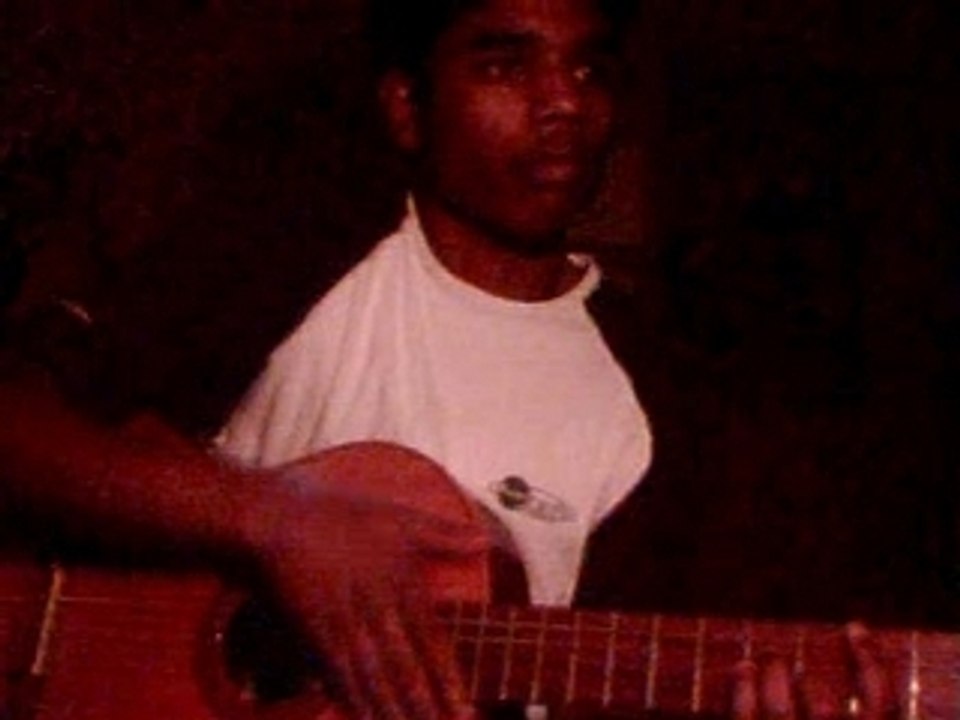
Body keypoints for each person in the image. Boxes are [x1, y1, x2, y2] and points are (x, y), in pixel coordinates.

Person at [0, 0, 900, 717]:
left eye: (589, 68)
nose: (563, 102)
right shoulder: (283, 265)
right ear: (407, 108)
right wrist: (279, 523)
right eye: (505, 64)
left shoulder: (673, 392)